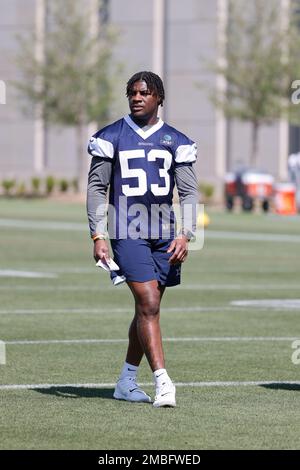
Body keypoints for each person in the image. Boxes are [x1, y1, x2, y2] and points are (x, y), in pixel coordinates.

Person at [87, 71, 198, 407]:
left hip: (164, 233)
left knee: (147, 309)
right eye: (132, 93)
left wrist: (187, 233)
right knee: (148, 302)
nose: (137, 98)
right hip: (126, 229)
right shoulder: (111, 136)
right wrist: (98, 233)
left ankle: (126, 381)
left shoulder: (177, 140)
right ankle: (164, 383)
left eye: (144, 93)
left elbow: (190, 191)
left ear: (159, 98)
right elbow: (96, 189)